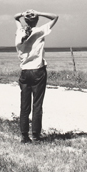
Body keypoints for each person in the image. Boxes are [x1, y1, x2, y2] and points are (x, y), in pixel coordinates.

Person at [14, 9, 59, 143]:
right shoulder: (40, 31)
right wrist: (38, 12)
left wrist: (24, 13)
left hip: (24, 72)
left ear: (25, 21)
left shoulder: (20, 32)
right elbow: (55, 16)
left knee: (24, 105)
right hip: (38, 71)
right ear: (36, 20)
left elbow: (15, 18)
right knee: (37, 105)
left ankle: (24, 136)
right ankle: (36, 135)